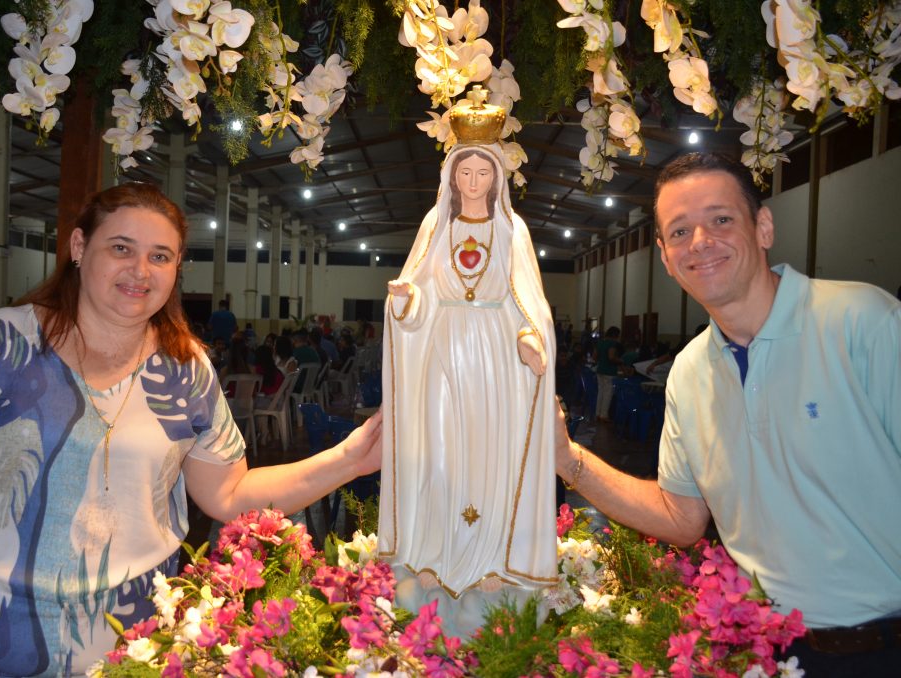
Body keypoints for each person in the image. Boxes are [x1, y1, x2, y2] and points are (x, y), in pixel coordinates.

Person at [0, 183, 383, 677]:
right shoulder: (6, 341)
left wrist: (350, 458)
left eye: (160, 256)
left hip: (125, 655)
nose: (140, 271)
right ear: (79, 247)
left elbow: (228, 493)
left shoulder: (187, 370)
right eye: (122, 248)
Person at [554, 152, 901, 677]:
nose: (701, 243)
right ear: (666, 258)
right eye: (680, 231)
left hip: (883, 647)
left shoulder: (862, 323)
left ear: (762, 227)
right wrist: (567, 458)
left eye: (721, 220)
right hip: (762, 654)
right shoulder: (690, 372)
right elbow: (681, 518)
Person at [380, 100, 556, 637]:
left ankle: (489, 561)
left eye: (484, 172)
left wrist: (531, 335)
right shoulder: (437, 223)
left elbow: (527, 298)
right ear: (451, 175)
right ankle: (434, 549)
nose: (475, 180)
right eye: (466, 171)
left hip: (497, 357)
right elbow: (420, 289)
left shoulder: (512, 229)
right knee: (439, 452)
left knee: (491, 454)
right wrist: (406, 301)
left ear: (497, 177)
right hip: (443, 350)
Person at [593, 326, 621, 420]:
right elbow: (611, 357)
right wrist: (620, 361)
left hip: (600, 370)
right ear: (615, 335)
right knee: (608, 393)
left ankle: (598, 413)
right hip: (609, 371)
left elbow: (595, 356)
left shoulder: (601, 342)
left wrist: (601, 361)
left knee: (600, 392)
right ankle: (604, 415)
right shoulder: (612, 343)